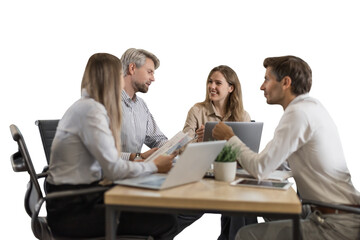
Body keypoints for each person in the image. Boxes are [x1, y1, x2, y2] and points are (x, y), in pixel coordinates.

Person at [212, 56, 360, 240]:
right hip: (329, 211)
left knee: (246, 234)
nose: (262, 86)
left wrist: (230, 137)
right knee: (265, 208)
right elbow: (275, 162)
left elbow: (260, 168)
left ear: (286, 82)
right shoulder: (310, 107)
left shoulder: (298, 114)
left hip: (335, 223)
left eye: (267, 79)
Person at [46, 53, 179, 239]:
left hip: (77, 200)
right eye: (119, 75)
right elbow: (113, 169)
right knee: (167, 222)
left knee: (154, 210)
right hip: (74, 212)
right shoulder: (92, 111)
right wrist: (154, 166)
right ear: (111, 78)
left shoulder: (85, 106)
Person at [180, 65, 257, 240]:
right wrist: (198, 141)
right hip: (202, 178)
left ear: (231, 88)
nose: (211, 86)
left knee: (241, 207)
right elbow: (182, 148)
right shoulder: (197, 111)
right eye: (210, 81)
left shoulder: (242, 116)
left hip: (231, 177)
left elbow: (247, 153)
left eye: (217, 83)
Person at [120, 48, 168, 161]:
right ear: (132, 68)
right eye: (149, 72)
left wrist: (179, 146)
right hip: (111, 176)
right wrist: (137, 157)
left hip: (136, 173)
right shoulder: (105, 103)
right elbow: (101, 153)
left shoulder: (141, 105)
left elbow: (157, 139)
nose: (153, 78)